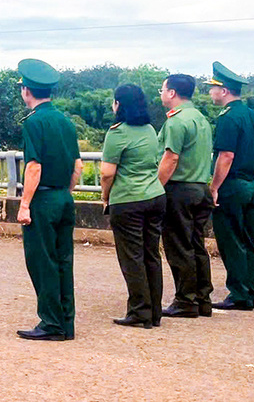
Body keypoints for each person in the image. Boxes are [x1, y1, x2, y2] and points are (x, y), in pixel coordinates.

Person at [15, 58, 83, 341]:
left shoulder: (34, 123)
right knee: (63, 260)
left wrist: (24, 204)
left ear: (27, 91)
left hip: (42, 200)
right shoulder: (65, 121)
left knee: (42, 261)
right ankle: (66, 322)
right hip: (63, 198)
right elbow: (77, 165)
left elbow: (34, 167)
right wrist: (65, 191)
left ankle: (50, 322)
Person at [100, 84, 166, 329]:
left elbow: (107, 173)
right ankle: (154, 311)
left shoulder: (117, 133)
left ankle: (140, 310)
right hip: (155, 197)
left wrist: (106, 198)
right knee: (151, 254)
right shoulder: (150, 129)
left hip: (128, 200)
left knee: (132, 257)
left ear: (118, 104)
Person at [206, 62, 254, 310]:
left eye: (213, 88)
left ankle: (239, 294)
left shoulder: (229, 118)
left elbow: (226, 155)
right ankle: (253, 292)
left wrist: (214, 186)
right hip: (251, 185)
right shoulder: (253, 115)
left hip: (232, 185)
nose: (210, 93)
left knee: (231, 240)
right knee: (248, 240)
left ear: (224, 90)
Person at [157, 74, 214, 318]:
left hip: (180, 189)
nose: (160, 94)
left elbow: (171, 157)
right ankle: (202, 297)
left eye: (162, 89)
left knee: (179, 245)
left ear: (171, 93)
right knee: (195, 244)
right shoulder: (200, 118)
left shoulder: (176, 121)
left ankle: (185, 299)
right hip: (201, 187)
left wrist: (157, 187)